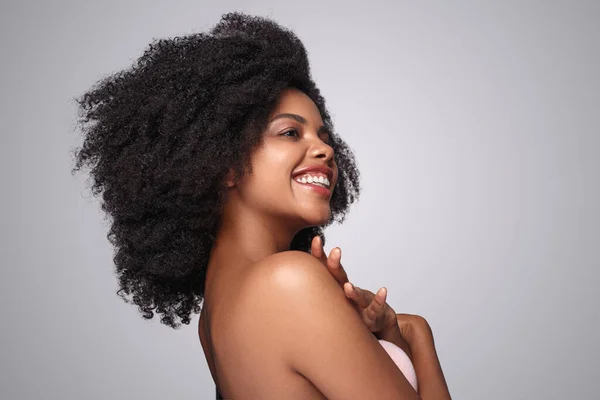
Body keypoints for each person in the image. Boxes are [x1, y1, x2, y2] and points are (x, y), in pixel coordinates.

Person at [72, 11, 451, 399]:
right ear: (225, 163)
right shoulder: (288, 281)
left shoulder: (217, 312)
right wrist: (417, 334)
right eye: (290, 132)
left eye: (322, 135)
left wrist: (385, 329)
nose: (325, 149)